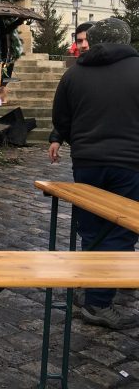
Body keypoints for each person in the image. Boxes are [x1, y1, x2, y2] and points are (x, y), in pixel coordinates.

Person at [52, 17, 139, 329]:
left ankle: (99, 282)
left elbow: (61, 116)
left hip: (87, 162)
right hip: (130, 163)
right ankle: (98, 303)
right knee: (120, 230)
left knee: (92, 227)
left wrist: (69, 141)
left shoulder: (74, 73)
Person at [48, 21, 93, 163]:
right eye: (80, 41)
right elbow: (65, 111)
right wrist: (57, 139)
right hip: (84, 150)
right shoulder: (72, 74)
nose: (84, 45)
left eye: (88, 40)